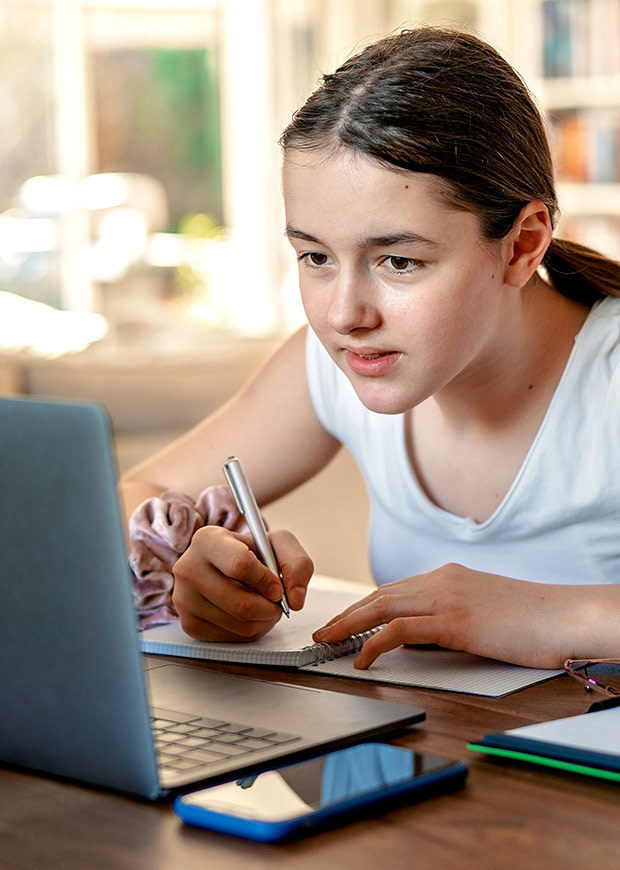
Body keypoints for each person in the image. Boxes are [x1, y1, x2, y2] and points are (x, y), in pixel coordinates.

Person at [122, 26, 620, 672]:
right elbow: (142, 487)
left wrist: (551, 613)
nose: (343, 314)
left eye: (398, 261)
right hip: (426, 753)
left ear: (523, 246)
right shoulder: (337, 366)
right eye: (315, 256)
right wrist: (201, 571)